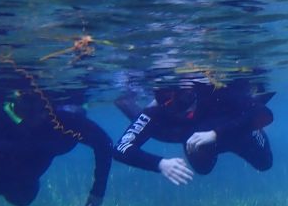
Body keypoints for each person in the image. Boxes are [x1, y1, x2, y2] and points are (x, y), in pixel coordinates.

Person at [0, 86, 112, 206]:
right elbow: (103, 143)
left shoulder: (64, 123)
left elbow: (103, 143)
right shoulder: (63, 125)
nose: (33, 113)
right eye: (27, 105)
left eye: (37, 106)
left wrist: (98, 191)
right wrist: (98, 191)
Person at [112, 77, 274, 184]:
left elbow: (264, 114)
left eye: (185, 98)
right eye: (167, 100)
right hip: (194, 139)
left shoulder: (215, 90)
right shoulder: (156, 112)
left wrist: (216, 134)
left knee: (265, 163)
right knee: (203, 169)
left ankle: (250, 128)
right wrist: (160, 164)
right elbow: (120, 148)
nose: (181, 107)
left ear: (193, 91)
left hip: (238, 133)